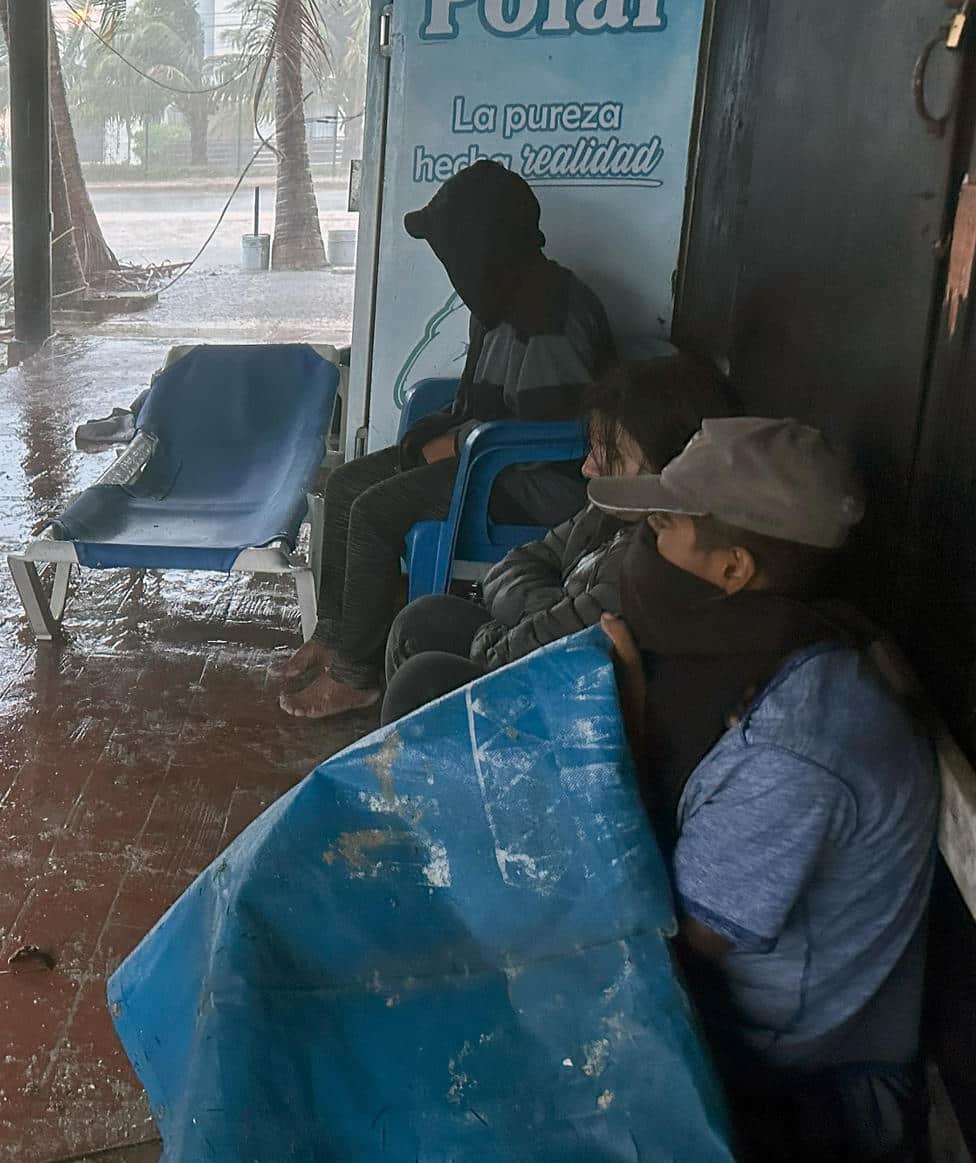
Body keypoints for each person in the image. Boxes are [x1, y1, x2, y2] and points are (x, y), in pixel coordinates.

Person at [590, 418, 937, 1163]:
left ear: (733, 570)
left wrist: (628, 732)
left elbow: (679, 941)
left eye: (663, 527)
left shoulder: (798, 746)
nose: (645, 548)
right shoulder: (775, 645)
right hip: (747, 1025)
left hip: (801, 1082)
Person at [279, 159, 616, 718]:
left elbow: (548, 434)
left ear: (487, 245)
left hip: (534, 485)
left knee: (373, 510)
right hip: (488, 458)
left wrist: (460, 446)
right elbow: (478, 402)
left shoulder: (552, 314)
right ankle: (336, 636)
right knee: (346, 484)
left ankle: (357, 675)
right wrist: (446, 439)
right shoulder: (500, 297)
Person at [375, 354, 739, 725]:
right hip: (531, 647)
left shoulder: (661, 554)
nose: (588, 468)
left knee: (421, 682)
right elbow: (514, 565)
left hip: (574, 705)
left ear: (672, 461)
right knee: (421, 621)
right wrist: (550, 611)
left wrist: (509, 637)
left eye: (610, 454)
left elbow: (571, 647)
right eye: (594, 448)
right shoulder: (606, 513)